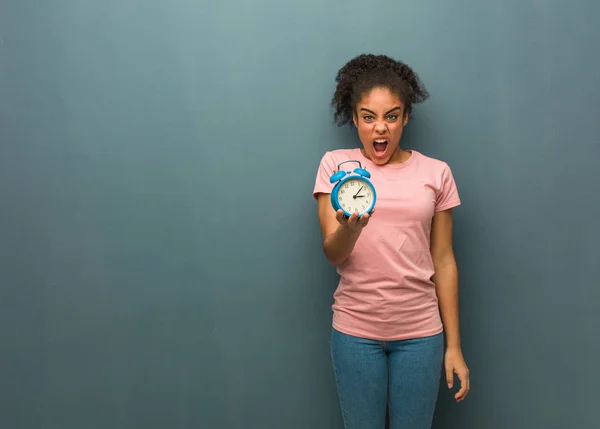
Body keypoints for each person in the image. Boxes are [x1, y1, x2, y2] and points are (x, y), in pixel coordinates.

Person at [312, 54, 470, 429]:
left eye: (391, 116)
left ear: (405, 117)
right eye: (368, 117)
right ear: (354, 118)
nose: (379, 129)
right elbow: (332, 252)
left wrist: (454, 346)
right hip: (355, 332)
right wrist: (350, 230)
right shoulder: (336, 167)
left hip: (420, 335)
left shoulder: (436, 173)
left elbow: (444, 260)